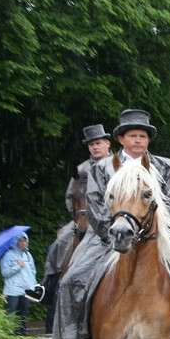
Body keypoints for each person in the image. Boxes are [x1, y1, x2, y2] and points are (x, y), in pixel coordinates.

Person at [52, 109, 170, 339]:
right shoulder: (102, 168)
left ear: (148, 140)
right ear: (121, 140)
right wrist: (112, 230)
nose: (138, 140)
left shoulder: (166, 166)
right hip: (109, 229)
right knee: (74, 277)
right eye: (132, 135)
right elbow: (94, 202)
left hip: (162, 228)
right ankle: (80, 338)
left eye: (142, 136)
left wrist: (151, 227)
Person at [41, 124, 112, 325]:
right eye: (91, 144)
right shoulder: (81, 169)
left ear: (107, 143)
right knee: (62, 238)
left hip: (113, 219)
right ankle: (47, 285)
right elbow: (69, 196)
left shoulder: (119, 164)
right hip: (84, 218)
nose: (95, 147)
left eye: (98, 143)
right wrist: (78, 215)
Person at [1, 233, 38, 336]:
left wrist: (33, 286)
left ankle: (22, 332)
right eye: (21, 241)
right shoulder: (8, 255)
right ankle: (11, 333)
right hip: (12, 290)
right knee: (12, 313)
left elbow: (33, 272)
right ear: (16, 242)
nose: (23, 243)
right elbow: (5, 272)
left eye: (24, 241)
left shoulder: (28, 255)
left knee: (24, 313)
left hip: (26, 289)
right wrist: (17, 266)